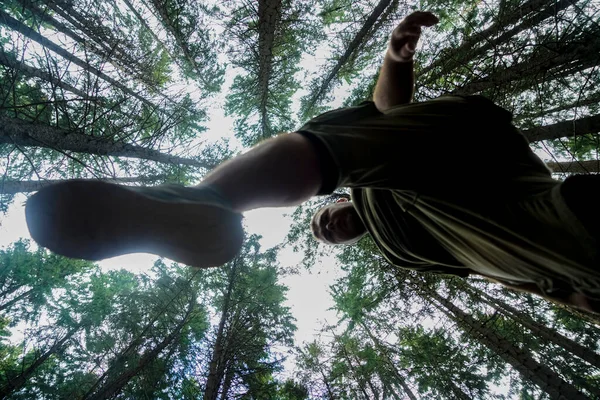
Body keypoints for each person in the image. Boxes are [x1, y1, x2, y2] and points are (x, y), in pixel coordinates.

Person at [25, 12, 598, 312]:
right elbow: (390, 128)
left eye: (324, 217)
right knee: (379, 159)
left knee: (359, 147)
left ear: (337, 201)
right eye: (330, 231)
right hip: (571, 275)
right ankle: (202, 202)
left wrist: (393, 62)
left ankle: (203, 201)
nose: (332, 224)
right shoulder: (404, 248)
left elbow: (389, 122)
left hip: (544, 204)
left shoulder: (385, 197)